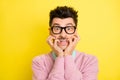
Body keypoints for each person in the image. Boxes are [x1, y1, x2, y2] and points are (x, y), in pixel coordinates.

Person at [32, 6, 98, 80]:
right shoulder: (39, 62)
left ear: (75, 32)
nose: (63, 35)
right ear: (50, 32)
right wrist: (60, 56)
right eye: (57, 28)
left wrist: (67, 55)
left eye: (69, 28)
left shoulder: (89, 61)